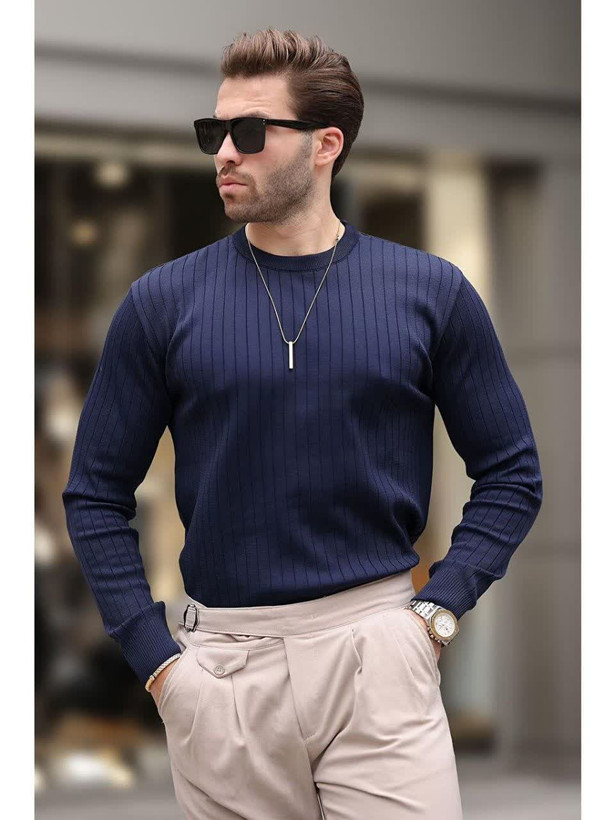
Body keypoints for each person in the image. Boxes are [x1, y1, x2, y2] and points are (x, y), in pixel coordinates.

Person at [62, 27, 543, 820]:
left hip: (379, 655)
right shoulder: (160, 304)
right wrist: (159, 664)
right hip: (221, 674)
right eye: (213, 132)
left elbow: (511, 474)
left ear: (326, 145)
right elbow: (94, 494)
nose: (224, 153)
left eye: (249, 132)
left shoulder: (430, 292)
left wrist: (434, 614)